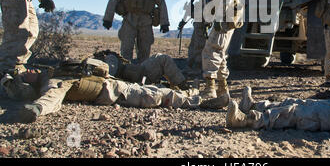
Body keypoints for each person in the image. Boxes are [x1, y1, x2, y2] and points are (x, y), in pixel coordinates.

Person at [14, 52, 201, 123]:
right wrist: (37, 109)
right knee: (155, 95)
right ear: (27, 84)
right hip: (113, 90)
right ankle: (196, 99)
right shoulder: (53, 82)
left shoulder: (56, 71)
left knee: (160, 66)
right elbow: (52, 98)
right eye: (24, 75)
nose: (28, 70)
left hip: (118, 78)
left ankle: (186, 88)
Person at [198, 0, 243, 107]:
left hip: (224, 21)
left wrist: (218, 17)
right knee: (220, 53)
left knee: (210, 50)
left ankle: (210, 89)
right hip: (223, 20)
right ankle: (223, 90)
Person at [103, 0, 170, 63]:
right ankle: (125, 72)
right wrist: (108, 19)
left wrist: (164, 23)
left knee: (144, 51)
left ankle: (142, 73)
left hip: (146, 22)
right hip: (129, 20)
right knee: (126, 49)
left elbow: (162, 3)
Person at [178, 0, 212, 76]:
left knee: (199, 47)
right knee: (192, 47)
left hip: (202, 26)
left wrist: (207, 24)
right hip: (197, 25)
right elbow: (192, 12)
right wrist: (183, 22)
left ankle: (198, 68)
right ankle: (189, 66)